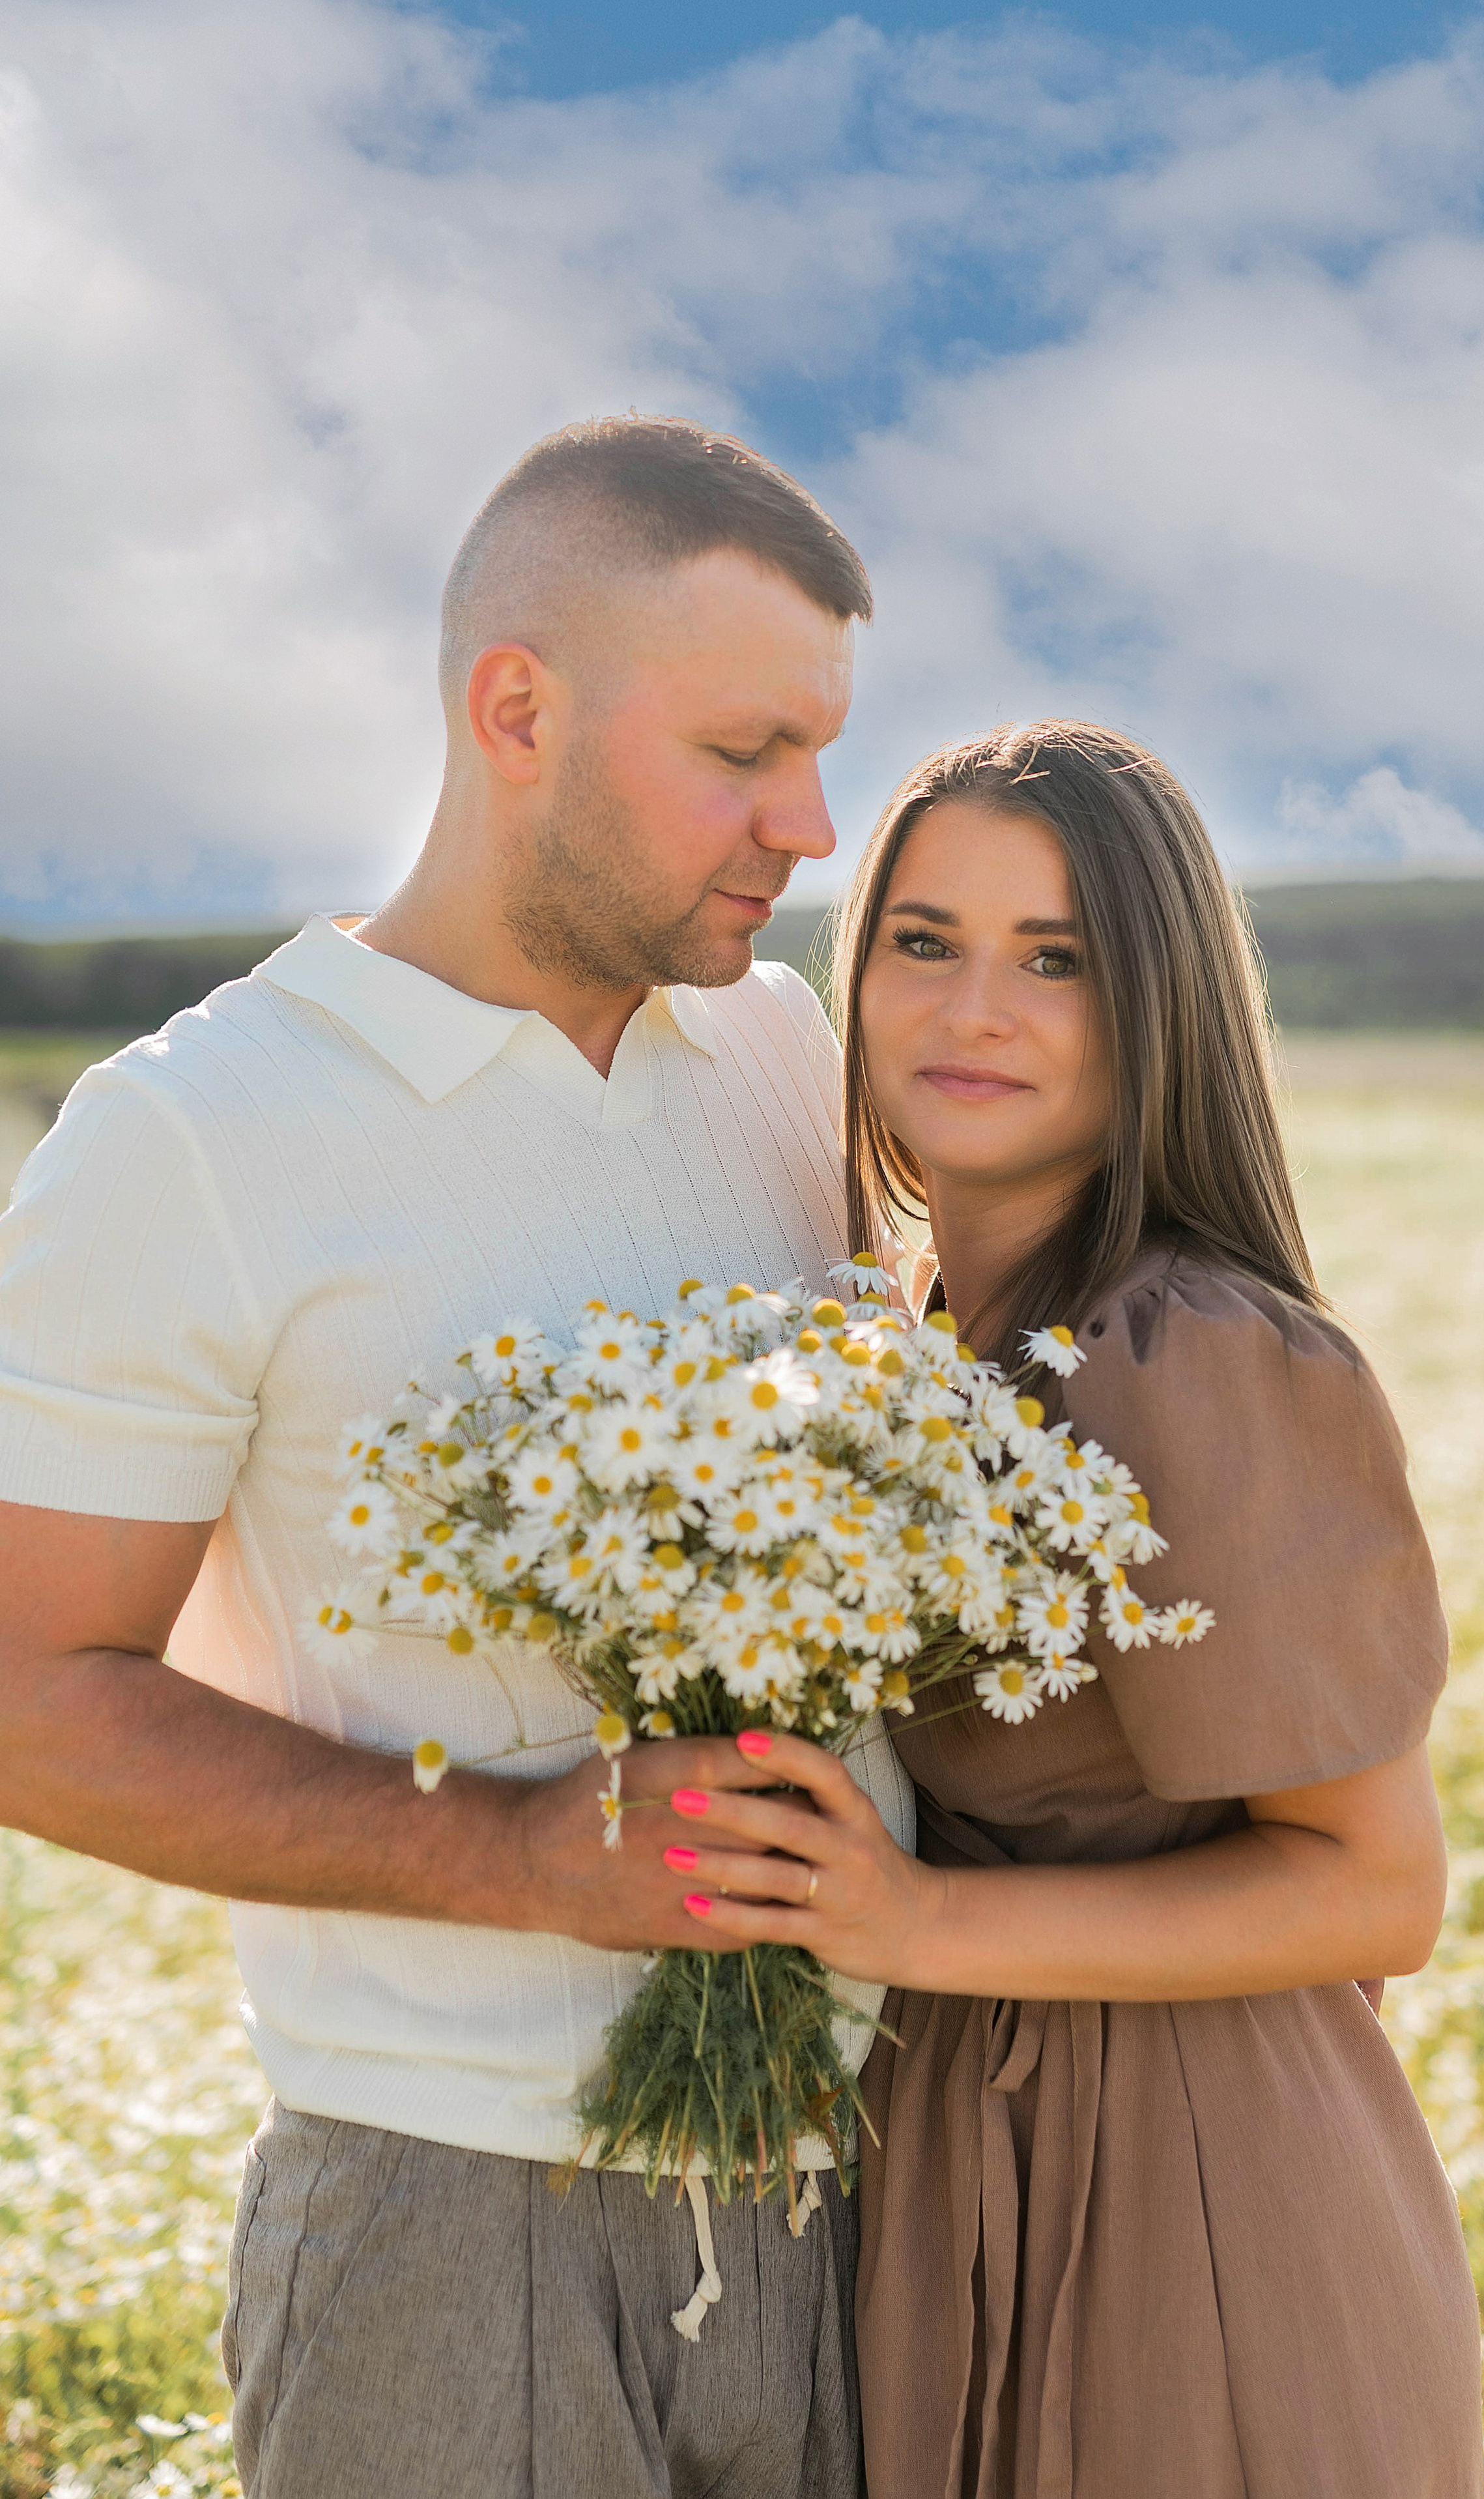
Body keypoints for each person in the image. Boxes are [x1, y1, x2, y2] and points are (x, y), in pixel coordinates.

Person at [0, 414, 914, 2499]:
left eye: (824, 749)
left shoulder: (788, 1053)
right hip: (448, 2230)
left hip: (864, 2198)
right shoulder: (195, 1135)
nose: (813, 822)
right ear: (519, 707)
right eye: (747, 750)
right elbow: (24, 1699)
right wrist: (514, 1855)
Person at [658, 721, 1484, 2496]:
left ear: (1160, 1006)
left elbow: (1380, 1887)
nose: (976, 1010)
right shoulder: (900, 1341)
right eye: (925, 940)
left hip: (1201, 2185)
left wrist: (912, 1921)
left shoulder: (1186, 1356)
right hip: (969, 2142)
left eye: (1059, 960)